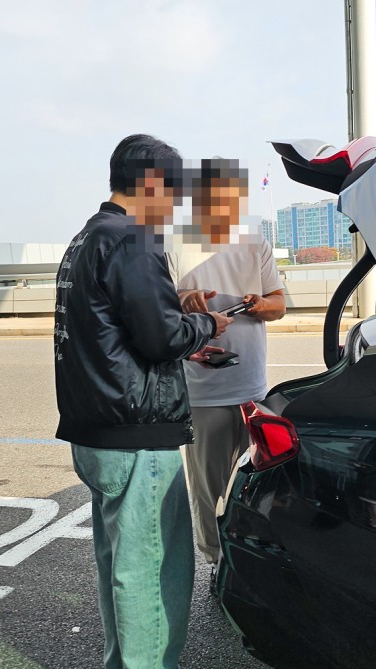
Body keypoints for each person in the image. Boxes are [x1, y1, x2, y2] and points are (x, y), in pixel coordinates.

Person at [53, 134, 233, 669]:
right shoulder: (133, 240)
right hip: (137, 431)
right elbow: (159, 338)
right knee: (154, 563)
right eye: (173, 192)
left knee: (118, 561)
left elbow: (118, 332)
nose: (175, 206)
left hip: (93, 427)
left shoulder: (86, 238)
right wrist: (204, 325)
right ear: (151, 184)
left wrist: (177, 322)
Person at [167, 157, 285, 584]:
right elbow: (159, 311)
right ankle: (217, 564)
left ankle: (251, 554)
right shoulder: (176, 244)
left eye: (233, 197)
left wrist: (257, 303)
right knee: (207, 488)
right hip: (203, 391)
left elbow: (279, 305)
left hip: (253, 386)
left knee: (256, 483)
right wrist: (187, 299)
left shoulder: (255, 241)